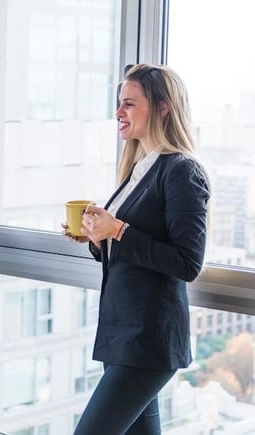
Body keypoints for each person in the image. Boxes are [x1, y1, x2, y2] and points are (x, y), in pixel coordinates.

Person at [66, 64, 210, 434]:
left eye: (129, 104)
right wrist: (99, 238)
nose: (118, 113)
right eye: (119, 104)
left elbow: (187, 262)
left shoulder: (182, 170)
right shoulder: (139, 168)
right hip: (122, 334)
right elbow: (128, 247)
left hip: (148, 340)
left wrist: (118, 230)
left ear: (162, 107)